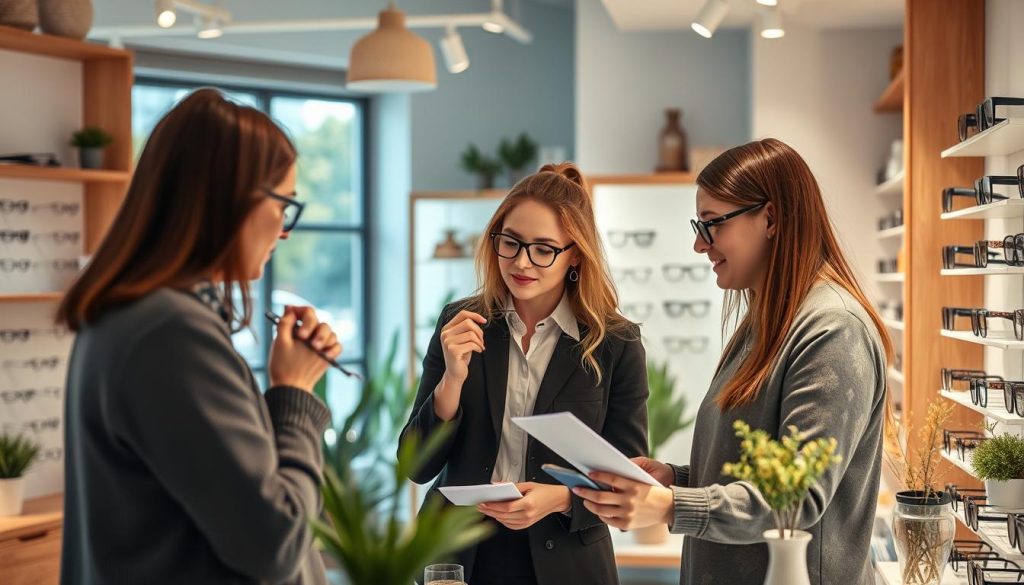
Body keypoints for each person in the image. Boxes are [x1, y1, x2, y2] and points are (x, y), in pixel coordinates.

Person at [573, 139, 893, 585]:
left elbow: (793, 498)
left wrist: (670, 505)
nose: (699, 245)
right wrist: (674, 480)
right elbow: (751, 466)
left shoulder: (833, 330)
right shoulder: (765, 320)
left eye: (712, 224)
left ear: (771, 218)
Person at [56, 88, 340, 585]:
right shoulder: (171, 334)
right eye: (284, 205)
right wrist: (294, 397)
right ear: (232, 201)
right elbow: (273, 543)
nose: (285, 230)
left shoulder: (129, 316)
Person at [399, 163, 649, 585]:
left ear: (574, 254)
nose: (521, 262)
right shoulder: (461, 322)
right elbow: (417, 465)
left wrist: (561, 499)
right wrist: (452, 381)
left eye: (543, 249)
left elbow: (628, 479)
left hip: (565, 559)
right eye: (510, 243)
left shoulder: (615, 342)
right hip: (458, 552)